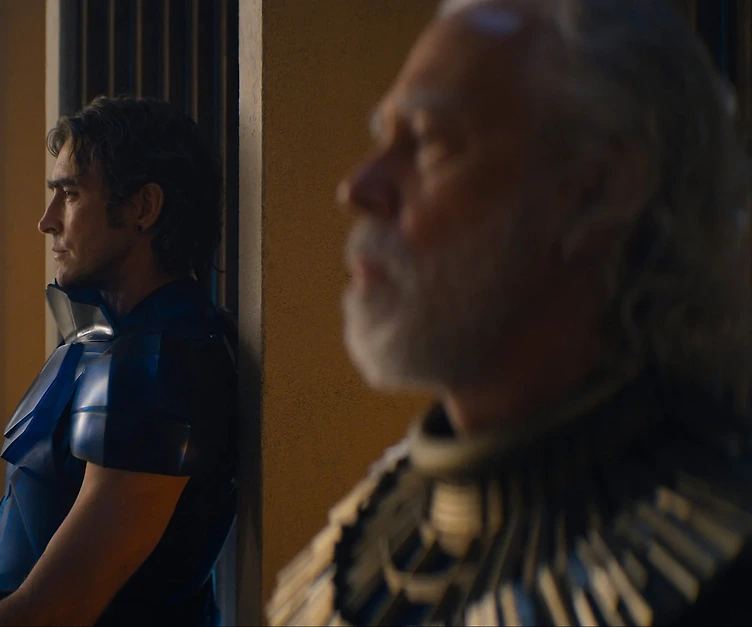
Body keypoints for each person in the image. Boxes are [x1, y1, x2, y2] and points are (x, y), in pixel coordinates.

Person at [266, 0, 752, 625]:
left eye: (430, 140)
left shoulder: (725, 572)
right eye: (384, 138)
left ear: (596, 189)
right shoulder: (357, 542)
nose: (357, 187)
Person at [0, 96, 238, 626]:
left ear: (144, 207)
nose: (46, 222)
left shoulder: (158, 364)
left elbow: (58, 607)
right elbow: (38, 499)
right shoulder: (106, 336)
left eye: (70, 195)